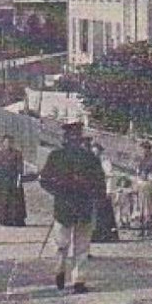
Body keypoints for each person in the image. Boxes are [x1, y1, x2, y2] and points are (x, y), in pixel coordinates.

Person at [39, 121, 107, 293]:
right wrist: (95, 198)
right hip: (83, 207)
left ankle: (60, 269)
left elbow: (44, 180)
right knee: (81, 246)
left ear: (65, 139)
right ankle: (78, 280)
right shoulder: (90, 158)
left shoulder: (56, 156)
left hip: (64, 206)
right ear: (79, 139)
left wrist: (57, 191)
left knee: (62, 242)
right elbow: (100, 184)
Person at [0, 134, 27, 227]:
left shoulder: (17, 154)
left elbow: (20, 167)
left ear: (12, 143)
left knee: (15, 199)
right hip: (3, 180)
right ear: (3, 143)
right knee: (3, 199)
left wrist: (19, 179)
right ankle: (3, 218)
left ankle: (16, 219)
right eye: (6, 142)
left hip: (13, 180)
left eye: (10, 142)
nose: (8, 144)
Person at [90, 142, 120, 242]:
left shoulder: (105, 161)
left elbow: (110, 176)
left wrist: (109, 191)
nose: (94, 153)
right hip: (95, 190)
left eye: (96, 151)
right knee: (96, 212)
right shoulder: (93, 161)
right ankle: (96, 233)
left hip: (103, 190)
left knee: (104, 212)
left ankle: (106, 234)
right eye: (93, 151)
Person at [134, 140, 152, 236]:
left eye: (143, 149)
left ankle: (148, 227)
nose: (142, 151)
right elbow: (138, 172)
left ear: (147, 149)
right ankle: (141, 227)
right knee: (140, 206)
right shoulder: (142, 160)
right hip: (141, 183)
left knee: (148, 206)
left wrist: (145, 175)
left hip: (149, 183)